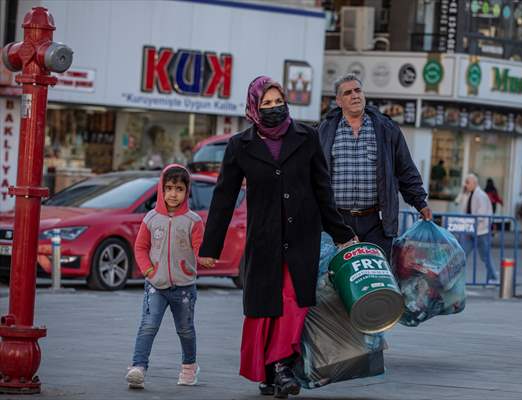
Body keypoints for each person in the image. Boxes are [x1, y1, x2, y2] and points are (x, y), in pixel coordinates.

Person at [198, 76, 356, 398]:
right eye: (266, 104)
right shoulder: (239, 145)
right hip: (264, 240)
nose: (273, 108)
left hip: (302, 239)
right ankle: (270, 372)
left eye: (278, 101)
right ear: (254, 108)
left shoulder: (306, 137)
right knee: (265, 308)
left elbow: (322, 189)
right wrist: (210, 247)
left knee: (292, 302)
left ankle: (283, 366)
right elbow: (224, 197)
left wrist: (341, 233)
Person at [318, 74, 431, 260]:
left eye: (358, 90)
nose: (355, 95)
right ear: (338, 101)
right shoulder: (324, 131)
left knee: (376, 279)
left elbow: (405, 169)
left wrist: (420, 202)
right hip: (336, 222)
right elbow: (312, 175)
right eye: (348, 93)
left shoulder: (386, 128)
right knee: (334, 281)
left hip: (376, 222)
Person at [125, 165, 206, 389]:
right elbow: (140, 247)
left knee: (186, 330)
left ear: (187, 191)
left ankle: (189, 368)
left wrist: (205, 258)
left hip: (184, 287)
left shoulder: (194, 221)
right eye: (168, 188)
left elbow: (199, 248)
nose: (173, 194)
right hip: (155, 285)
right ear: (161, 189)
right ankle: (138, 367)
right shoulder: (151, 218)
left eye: (179, 189)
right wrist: (149, 270)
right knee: (148, 325)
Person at [458, 174, 498, 283]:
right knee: (463, 254)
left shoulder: (481, 195)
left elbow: (481, 214)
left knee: (485, 257)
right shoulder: (469, 194)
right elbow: (464, 209)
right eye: (465, 182)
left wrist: (468, 222)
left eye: (467, 182)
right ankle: (455, 278)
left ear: (474, 183)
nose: (465, 185)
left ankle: (493, 277)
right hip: (470, 230)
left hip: (481, 231)